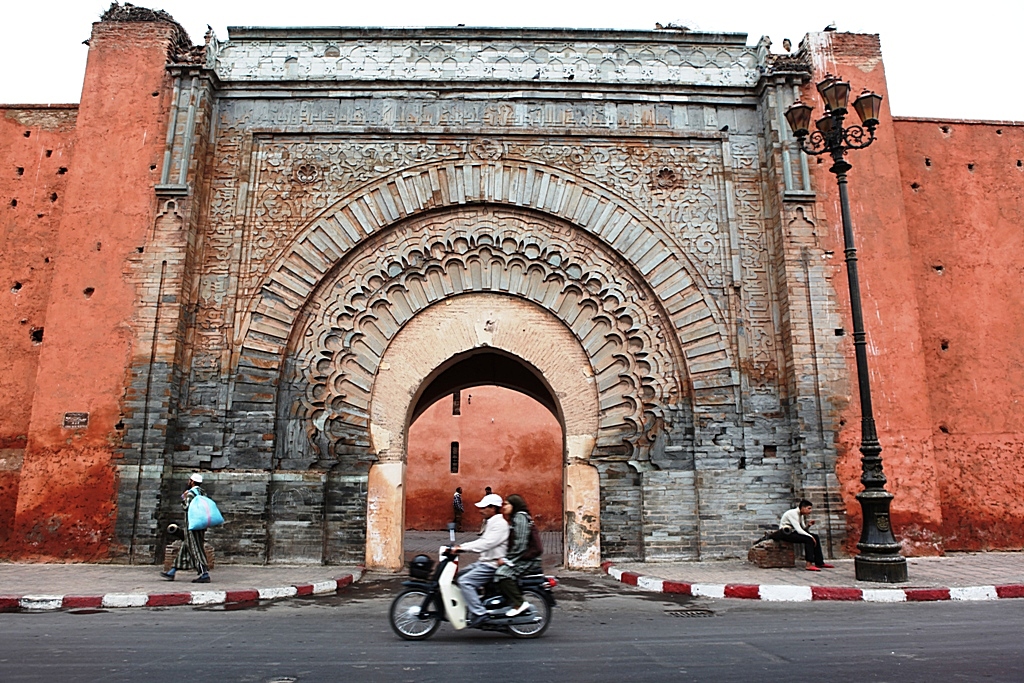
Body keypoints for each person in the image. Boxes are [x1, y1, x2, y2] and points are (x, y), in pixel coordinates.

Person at [451, 493, 508, 628]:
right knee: (459, 577)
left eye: (484, 508)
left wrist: (462, 548)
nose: (481, 510)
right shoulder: (491, 522)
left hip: (491, 565)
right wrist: (460, 547)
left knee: (465, 582)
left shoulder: (500, 524)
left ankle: (480, 613)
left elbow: (486, 544)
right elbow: (482, 541)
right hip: (484, 562)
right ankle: (474, 603)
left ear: (493, 508)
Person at [494, 494, 542, 616]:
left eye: (506, 504)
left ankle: (519, 603)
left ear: (514, 505)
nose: (503, 507)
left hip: (527, 560)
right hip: (522, 557)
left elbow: (520, 543)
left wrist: (507, 560)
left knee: (502, 574)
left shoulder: (520, 517)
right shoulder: (516, 518)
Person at [160, 473, 211, 583]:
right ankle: (172, 571)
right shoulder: (203, 493)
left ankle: (204, 573)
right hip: (201, 524)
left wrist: (184, 498)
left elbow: (187, 507)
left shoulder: (191, 493)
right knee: (185, 547)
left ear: (192, 482)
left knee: (195, 548)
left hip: (192, 525)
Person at [776, 499, 834, 571]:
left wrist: (808, 525)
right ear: (803, 508)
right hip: (786, 533)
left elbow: (803, 529)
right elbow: (799, 530)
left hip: (793, 532)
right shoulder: (793, 513)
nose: (810, 510)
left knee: (815, 537)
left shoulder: (801, 515)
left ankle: (819, 562)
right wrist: (810, 537)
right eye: (809, 508)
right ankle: (808, 564)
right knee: (809, 539)